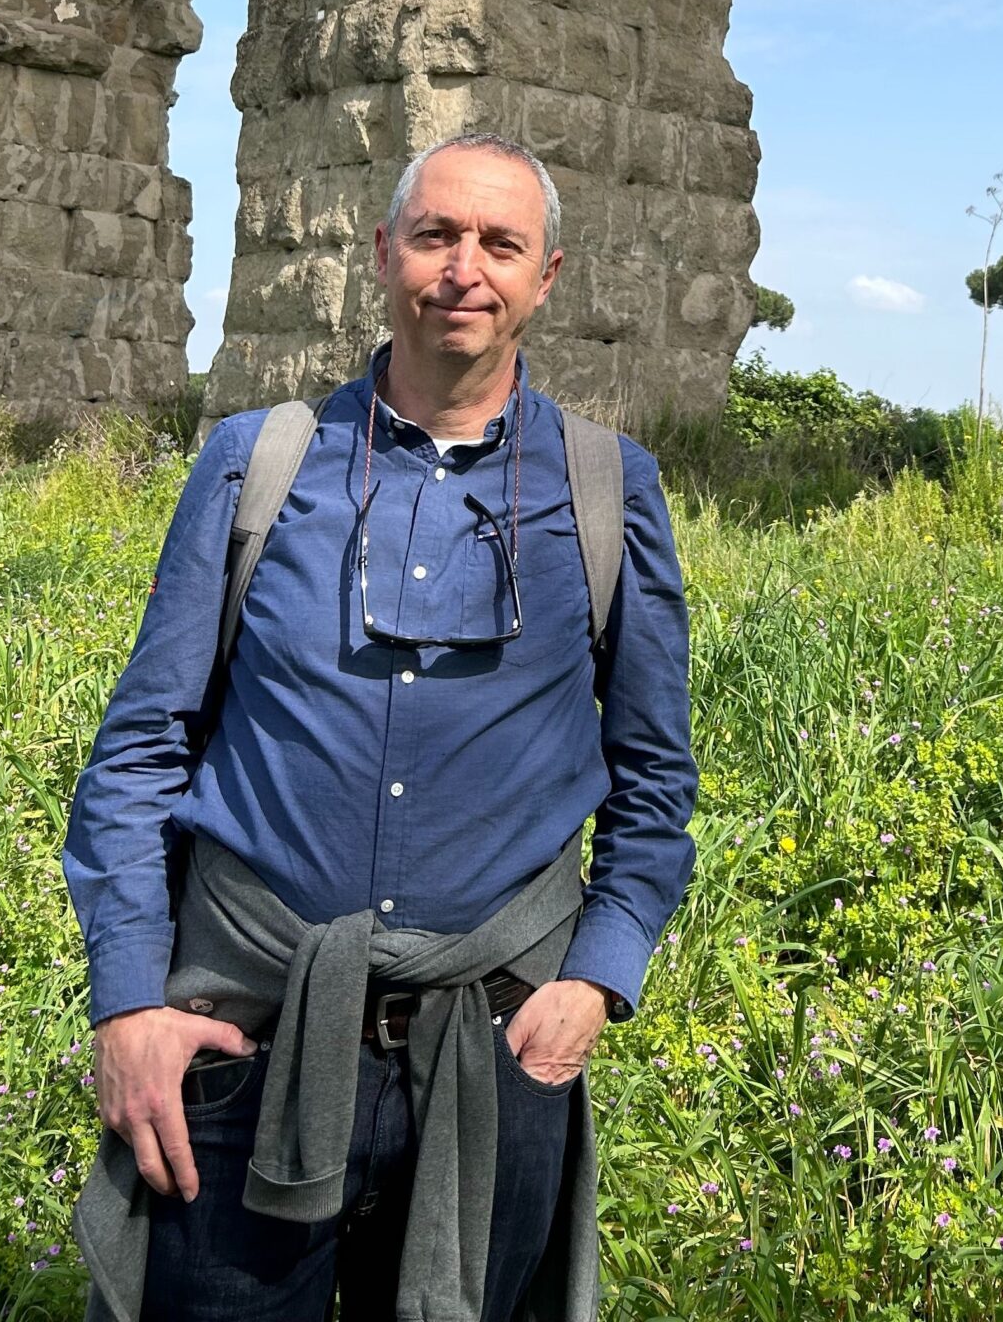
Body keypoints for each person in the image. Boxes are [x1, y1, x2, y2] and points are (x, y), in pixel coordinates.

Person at [61, 133, 698, 1322]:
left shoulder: (610, 489)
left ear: (546, 276)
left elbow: (655, 777)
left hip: (494, 1050)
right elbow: (143, 745)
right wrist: (129, 1000)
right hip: (244, 1044)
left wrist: (596, 980)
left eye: (500, 243)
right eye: (435, 235)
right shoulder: (258, 461)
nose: (464, 269)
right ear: (382, 252)